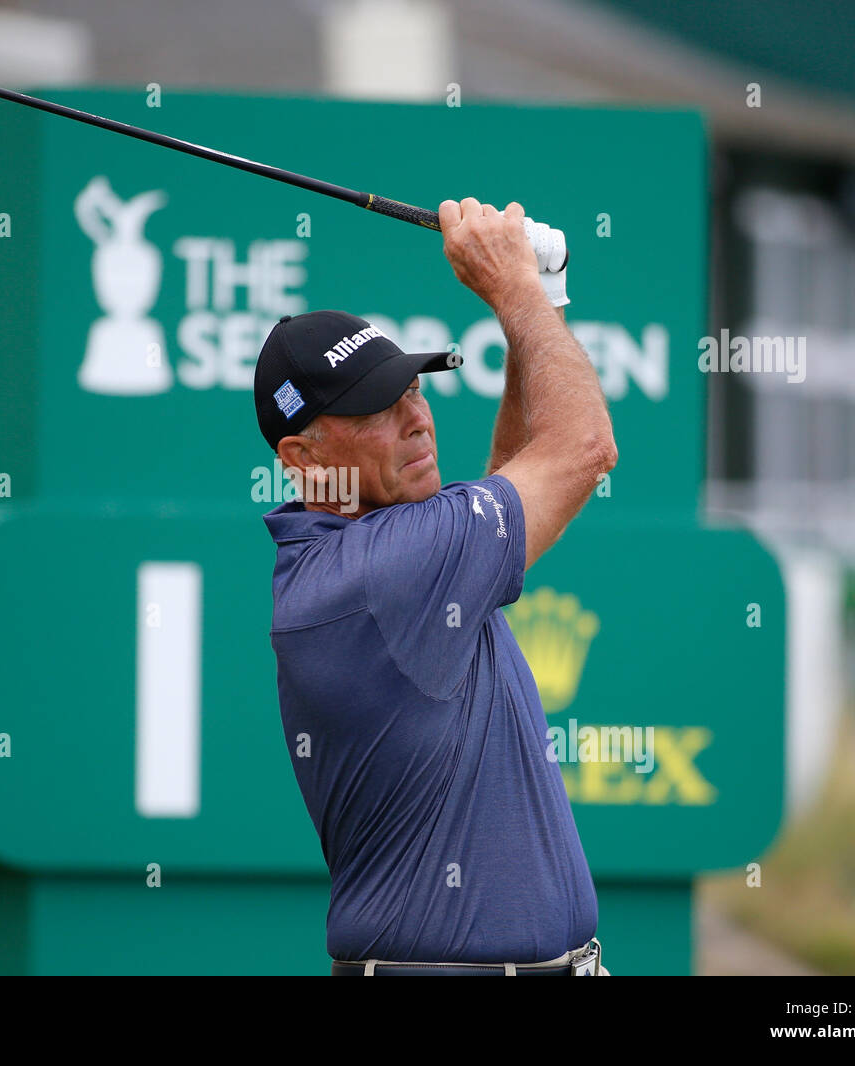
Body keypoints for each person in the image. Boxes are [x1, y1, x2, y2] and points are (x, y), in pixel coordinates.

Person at [253, 198, 617, 975]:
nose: (416, 418)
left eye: (413, 389)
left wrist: (541, 295)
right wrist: (513, 289)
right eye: (378, 410)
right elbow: (583, 447)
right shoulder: (379, 574)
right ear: (303, 455)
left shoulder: (379, 551)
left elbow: (510, 475)